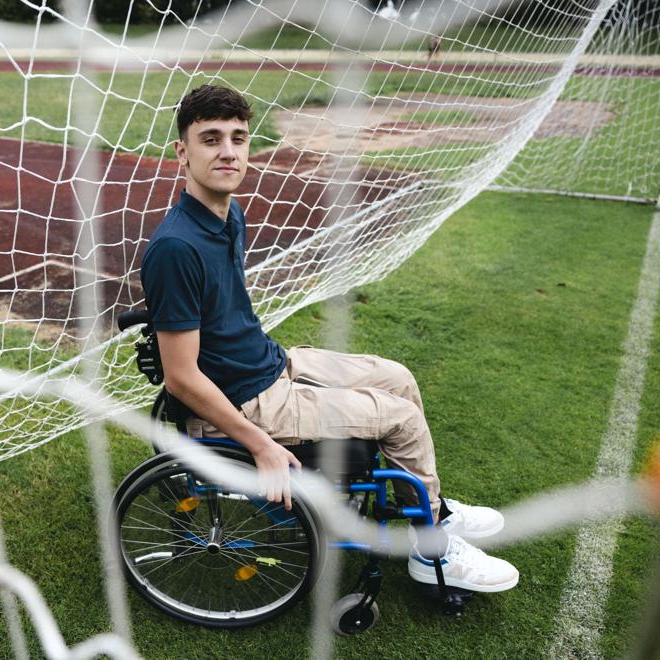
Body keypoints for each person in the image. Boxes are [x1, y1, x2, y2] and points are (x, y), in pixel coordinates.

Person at [139, 84, 518, 593]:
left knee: (398, 379)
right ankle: (431, 552)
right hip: (250, 403)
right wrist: (262, 446)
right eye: (210, 139)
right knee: (401, 420)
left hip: (272, 365)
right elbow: (182, 379)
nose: (228, 151)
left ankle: (437, 511)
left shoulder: (228, 215)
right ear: (182, 151)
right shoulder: (175, 248)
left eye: (238, 137)